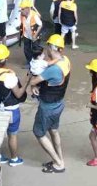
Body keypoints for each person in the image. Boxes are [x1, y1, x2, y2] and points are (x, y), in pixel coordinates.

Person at [28, 34, 70, 173]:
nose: (46, 50)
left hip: (48, 106)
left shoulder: (53, 69)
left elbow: (34, 81)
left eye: (47, 47)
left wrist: (33, 84)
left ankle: (58, 163)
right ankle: (60, 158)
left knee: (38, 132)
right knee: (53, 130)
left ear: (51, 48)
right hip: (59, 103)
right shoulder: (65, 61)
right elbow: (48, 79)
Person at [0, 44, 27, 166]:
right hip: (11, 110)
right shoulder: (9, 76)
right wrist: (26, 83)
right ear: (5, 59)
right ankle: (14, 159)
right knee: (12, 135)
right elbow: (18, 94)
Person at [18, 0, 42, 67]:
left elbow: (40, 25)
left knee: (35, 49)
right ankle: (29, 62)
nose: (21, 10)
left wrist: (35, 35)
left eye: (22, 9)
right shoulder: (22, 15)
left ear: (28, 9)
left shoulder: (34, 15)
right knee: (26, 50)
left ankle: (36, 63)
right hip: (27, 35)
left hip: (34, 35)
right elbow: (22, 24)